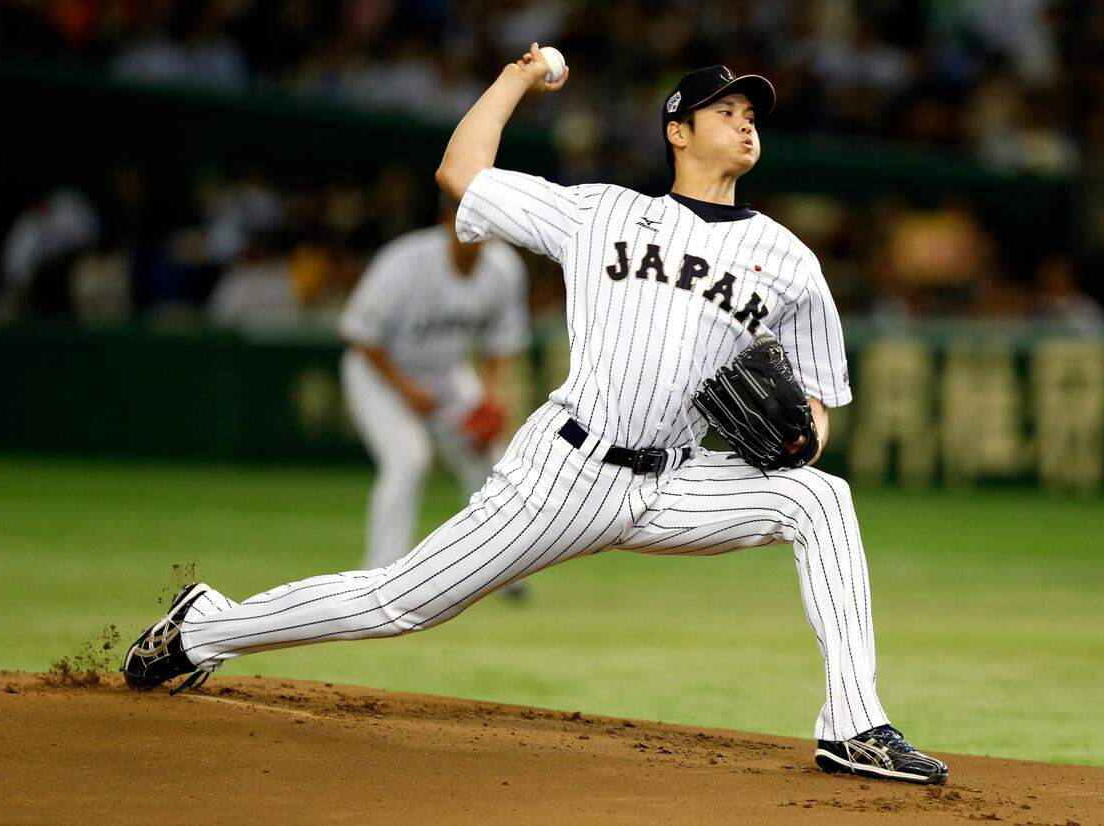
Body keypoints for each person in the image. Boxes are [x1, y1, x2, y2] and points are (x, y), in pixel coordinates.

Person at [123, 46, 948, 785]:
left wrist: (803, 439)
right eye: (724, 110)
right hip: (566, 470)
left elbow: (817, 400)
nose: (744, 123)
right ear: (677, 131)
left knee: (819, 498)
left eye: (751, 114)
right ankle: (205, 629)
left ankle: (855, 727)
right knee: (400, 602)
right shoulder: (602, 212)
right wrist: (518, 78)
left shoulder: (790, 261)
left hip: (674, 482)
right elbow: (461, 171)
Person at [338, 206, 530, 587]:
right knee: (408, 458)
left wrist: (489, 398)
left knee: (492, 460)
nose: (476, 232)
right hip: (379, 374)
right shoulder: (404, 261)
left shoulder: (504, 269)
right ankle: (379, 574)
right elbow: (358, 332)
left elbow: (500, 343)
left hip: (447, 374)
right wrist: (405, 388)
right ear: (447, 221)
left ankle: (504, 571)